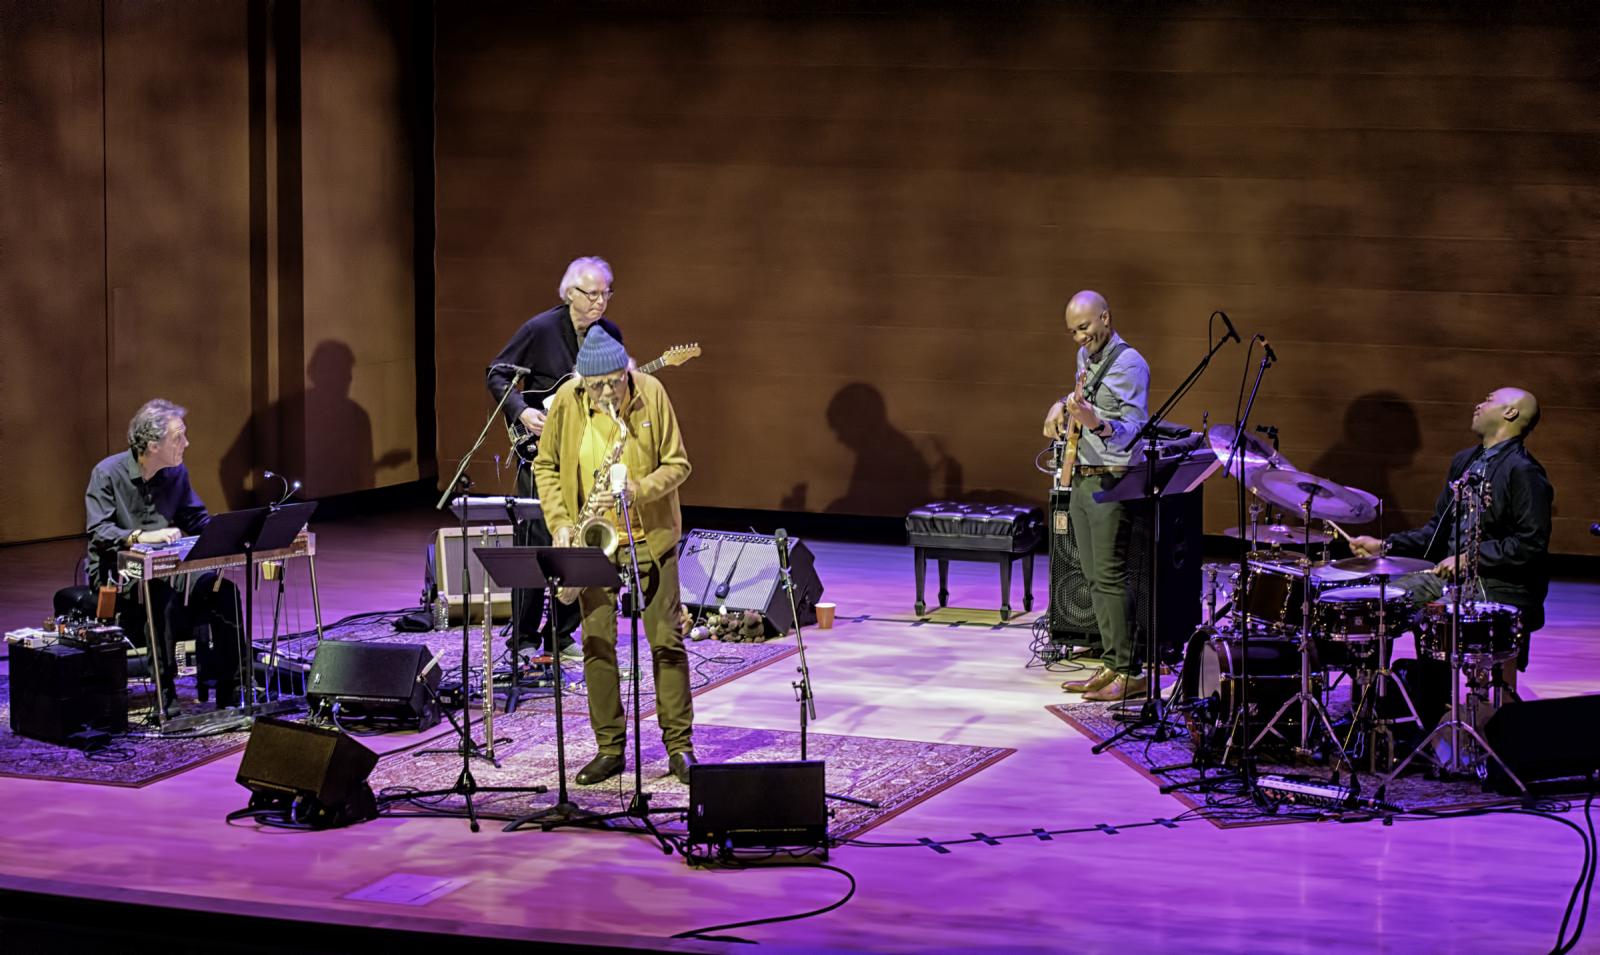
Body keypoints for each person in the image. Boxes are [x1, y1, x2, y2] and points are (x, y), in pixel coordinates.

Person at [533, 327, 697, 785]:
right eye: (597, 385)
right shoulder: (568, 399)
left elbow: (679, 463)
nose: (607, 392)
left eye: (615, 382)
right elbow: (545, 466)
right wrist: (562, 522)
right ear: (583, 382)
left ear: (627, 370)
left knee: (666, 642)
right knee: (596, 644)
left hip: (650, 535)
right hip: (594, 538)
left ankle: (680, 748)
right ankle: (609, 747)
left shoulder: (652, 392)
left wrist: (639, 489)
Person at [1350, 387, 1552, 693]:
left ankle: (1441, 711)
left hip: (1500, 585)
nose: (1478, 403)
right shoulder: (1464, 462)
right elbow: (1437, 530)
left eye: (1488, 400)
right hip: (1453, 579)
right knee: (1379, 600)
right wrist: (1385, 546)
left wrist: (1469, 559)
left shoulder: (1524, 471)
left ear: (1510, 412)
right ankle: (1373, 705)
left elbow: (1530, 545)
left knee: (1434, 617)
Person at [486, 256, 625, 659]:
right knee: (535, 543)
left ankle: (560, 635)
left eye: (606, 293)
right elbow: (496, 373)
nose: (601, 301)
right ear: (570, 294)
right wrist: (520, 411)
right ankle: (523, 636)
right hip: (540, 454)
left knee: (581, 544)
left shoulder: (608, 333)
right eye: (593, 294)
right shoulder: (541, 329)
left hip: (586, 458)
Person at [85, 399, 244, 715]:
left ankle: (233, 690)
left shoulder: (176, 473)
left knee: (224, 592)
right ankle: (166, 697)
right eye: (178, 437)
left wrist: (237, 532)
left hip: (170, 568)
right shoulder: (106, 473)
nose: (186, 443)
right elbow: (99, 531)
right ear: (152, 444)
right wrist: (141, 537)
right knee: (161, 595)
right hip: (118, 575)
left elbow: (197, 520)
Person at [1042, 290, 1151, 702]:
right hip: (1083, 475)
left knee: (1109, 577)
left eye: (1084, 328)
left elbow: (1132, 428)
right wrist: (1060, 404)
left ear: (1105, 317)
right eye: (1072, 332)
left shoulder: (1129, 364)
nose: (1078, 338)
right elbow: (1080, 400)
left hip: (1111, 480)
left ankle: (1130, 671)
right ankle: (1109, 664)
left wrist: (1099, 425)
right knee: (1091, 578)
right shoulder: (1087, 358)